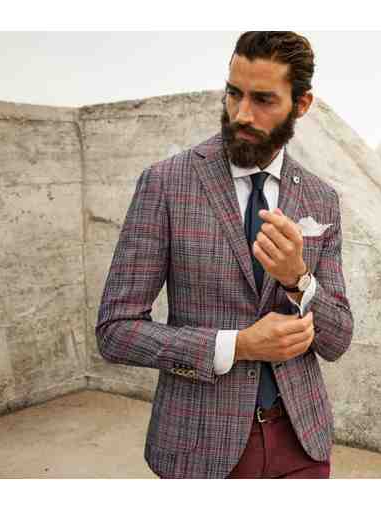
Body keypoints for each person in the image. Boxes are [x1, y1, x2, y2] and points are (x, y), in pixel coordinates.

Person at [95, 31, 353, 479]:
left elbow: (338, 339)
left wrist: (299, 279)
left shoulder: (320, 198)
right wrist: (236, 345)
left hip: (303, 445)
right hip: (200, 447)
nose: (242, 114)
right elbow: (115, 331)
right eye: (234, 93)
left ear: (302, 104)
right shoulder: (166, 184)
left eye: (263, 99)